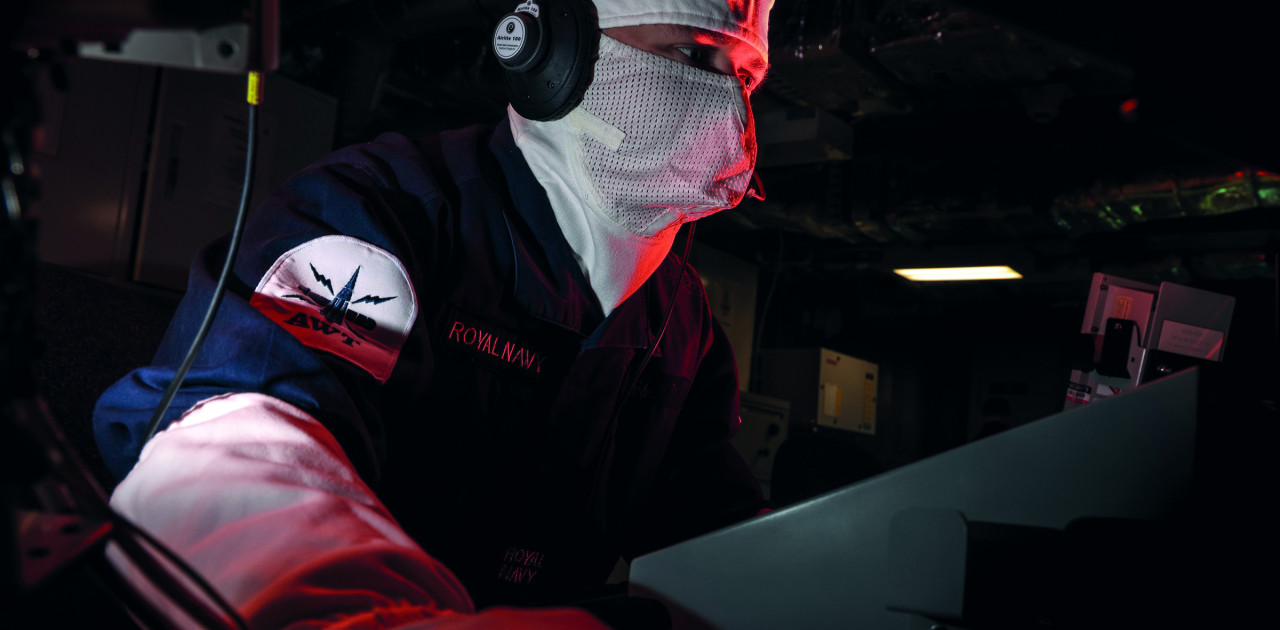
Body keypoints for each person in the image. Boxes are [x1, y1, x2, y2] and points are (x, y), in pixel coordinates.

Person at [92, 0, 774, 626]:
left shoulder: (681, 319)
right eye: (695, 55)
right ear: (556, 51)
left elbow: (719, 542)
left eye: (746, 78)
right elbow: (234, 449)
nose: (731, 110)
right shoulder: (382, 211)